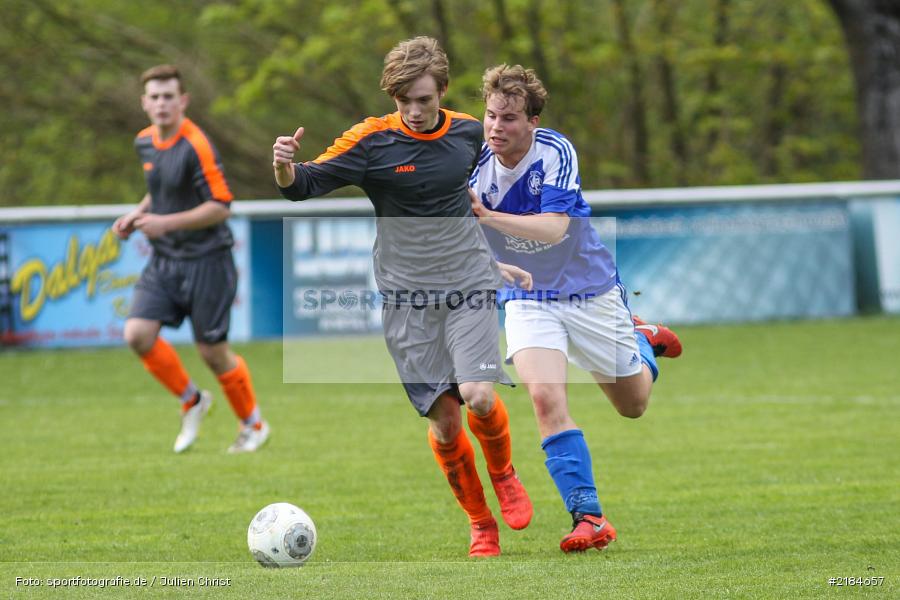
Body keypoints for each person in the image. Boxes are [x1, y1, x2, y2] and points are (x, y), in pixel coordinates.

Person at [273, 37, 532, 557]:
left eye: (424, 99)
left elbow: (484, 190)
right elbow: (303, 185)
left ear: (442, 93)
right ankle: (481, 523)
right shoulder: (371, 141)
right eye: (404, 100)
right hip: (406, 297)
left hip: (468, 284)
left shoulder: (467, 133)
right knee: (444, 421)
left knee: (479, 395)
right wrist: (283, 165)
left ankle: (503, 472)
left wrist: (493, 254)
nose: (414, 111)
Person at [468, 64, 683, 553]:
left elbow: (553, 229)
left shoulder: (555, 151)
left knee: (633, 405)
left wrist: (488, 216)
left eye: (509, 118)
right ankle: (588, 516)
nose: (497, 127)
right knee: (544, 397)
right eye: (490, 116)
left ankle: (643, 339)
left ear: (532, 121)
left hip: (588, 289)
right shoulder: (473, 161)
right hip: (527, 296)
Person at [113, 65, 269, 454]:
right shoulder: (144, 142)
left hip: (208, 260)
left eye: (170, 96)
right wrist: (138, 212)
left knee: (212, 353)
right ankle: (191, 400)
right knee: (137, 334)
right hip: (165, 261)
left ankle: (253, 424)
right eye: (155, 96)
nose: (162, 103)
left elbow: (221, 206)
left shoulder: (196, 145)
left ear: (183, 101)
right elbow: (160, 191)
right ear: (144, 103)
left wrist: (164, 223)